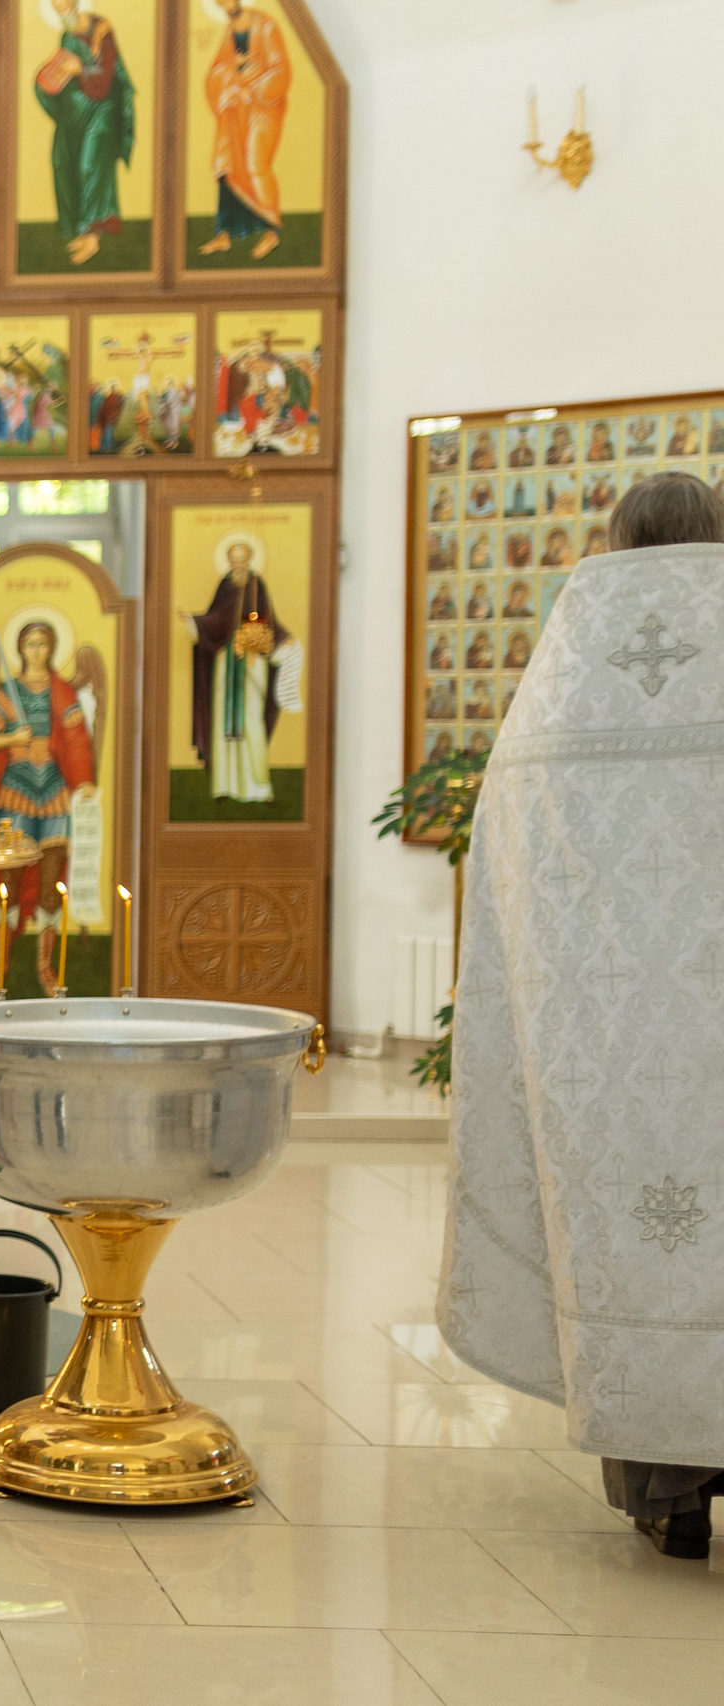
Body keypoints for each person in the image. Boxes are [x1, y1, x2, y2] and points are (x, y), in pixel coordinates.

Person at [442, 472, 724, 1560]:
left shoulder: (567, 682)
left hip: (617, 1045)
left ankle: (666, 1492)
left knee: (635, 1231)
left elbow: (513, 830)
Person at [0, 622, 98, 990]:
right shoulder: (8, 695)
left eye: (43, 643)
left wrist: (85, 780)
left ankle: (44, 964)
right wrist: (11, 738)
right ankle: (1, 964)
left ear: (51, 648)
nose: (36, 651)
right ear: (20, 649)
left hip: (55, 794)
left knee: (51, 879)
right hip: (16, 792)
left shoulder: (62, 692)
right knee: (7, 878)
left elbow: (76, 739)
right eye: (30, 644)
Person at [183, 537, 290, 802]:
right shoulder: (225, 585)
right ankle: (225, 786)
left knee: (251, 720)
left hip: (252, 663)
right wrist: (195, 621)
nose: (237, 564)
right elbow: (216, 618)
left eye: (242, 559)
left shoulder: (256, 585)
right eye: (234, 559)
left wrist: (268, 642)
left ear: (249, 560)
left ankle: (259, 788)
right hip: (225, 661)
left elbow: (268, 620)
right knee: (223, 722)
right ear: (229, 560)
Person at [34, 0, 135, 266]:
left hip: (105, 109)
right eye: (57, 11)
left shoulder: (102, 30)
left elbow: (106, 76)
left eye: (65, 8)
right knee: (62, 159)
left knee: (91, 164)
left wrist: (80, 70)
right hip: (81, 109)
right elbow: (64, 67)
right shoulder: (67, 36)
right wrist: (49, 76)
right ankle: (80, 228)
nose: (62, 15)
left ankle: (93, 237)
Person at [198, 0, 290, 260]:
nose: (223, 3)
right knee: (227, 165)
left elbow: (280, 71)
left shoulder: (266, 27)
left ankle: (270, 231)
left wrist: (253, 84)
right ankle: (224, 235)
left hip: (262, 109)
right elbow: (216, 73)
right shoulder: (229, 32)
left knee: (255, 164)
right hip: (236, 109)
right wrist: (230, 81)